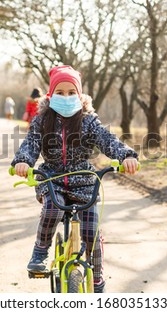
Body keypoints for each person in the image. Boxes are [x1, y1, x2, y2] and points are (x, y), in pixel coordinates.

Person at [11, 65, 139, 293]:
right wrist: (23, 161)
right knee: (52, 209)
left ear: (79, 95)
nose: (66, 97)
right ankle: (40, 251)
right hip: (51, 178)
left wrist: (126, 155)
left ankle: (98, 280)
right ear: (50, 95)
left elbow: (108, 140)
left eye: (72, 92)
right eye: (60, 92)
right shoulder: (42, 121)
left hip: (84, 181)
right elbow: (30, 144)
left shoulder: (88, 121)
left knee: (92, 233)